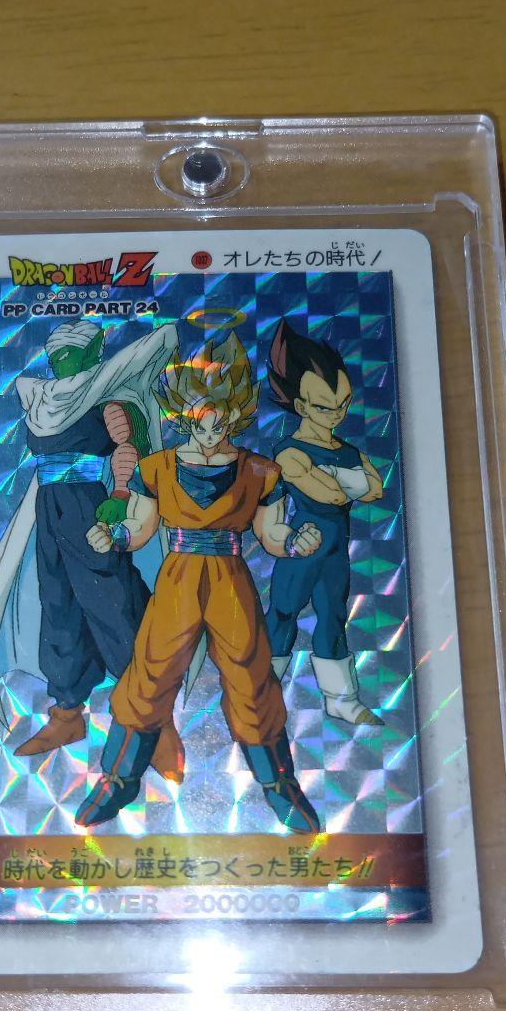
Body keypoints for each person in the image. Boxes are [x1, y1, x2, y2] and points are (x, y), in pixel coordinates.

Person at [76, 332, 323, 832]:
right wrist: (114, 536)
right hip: (179, 578)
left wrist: (298, 541)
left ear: (236, 414)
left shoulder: (259, 471)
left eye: (222, 417)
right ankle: (118, 779)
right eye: (200, 416)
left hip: (230, 579)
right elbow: (140, 527)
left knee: (251, 677)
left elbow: (272, 535)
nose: (211, 428)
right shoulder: (157, 468)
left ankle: (279, 784)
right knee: (150, 673)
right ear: (183, 413)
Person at [0, 320, 183, 781]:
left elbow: (129, 447)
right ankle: (67, 712)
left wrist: (122, 496)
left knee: (114, 604)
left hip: (89, 508)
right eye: (55, 354)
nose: (60, 360)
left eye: (70, 352)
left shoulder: (105, 397)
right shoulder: (43, 399)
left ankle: (155, 720)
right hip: (49, 511)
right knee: (59, 607)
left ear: (90, 352)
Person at [264, 319, 384, 726]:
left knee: (333, 616)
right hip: (304, 544)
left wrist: (340, 480)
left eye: (343, 404)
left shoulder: (345, 450)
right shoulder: (289, 451)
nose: (337, 414)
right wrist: (348, 482)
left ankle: (342, 699)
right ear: (300, 406)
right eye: (324, 407)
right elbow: (330, 494)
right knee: (284, 612)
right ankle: (261, 690)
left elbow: (375, 490)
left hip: (335, 549)